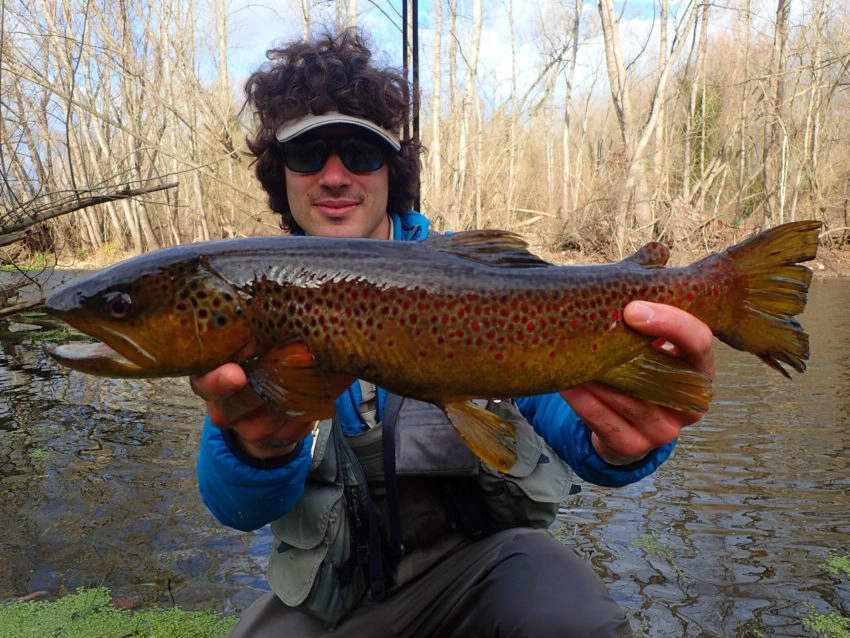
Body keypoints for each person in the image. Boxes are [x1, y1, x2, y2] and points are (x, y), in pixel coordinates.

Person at [192, 29, 715, 637]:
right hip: (330, 599)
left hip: (486, 570)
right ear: (279, 174)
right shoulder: (254, 294)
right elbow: (235, 507)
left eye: (360, 153)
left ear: (392, 170)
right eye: (309, 156)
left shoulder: (471, 280)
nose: (334, 176)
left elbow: (574, 424)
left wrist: (625, 440)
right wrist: (260, 446)